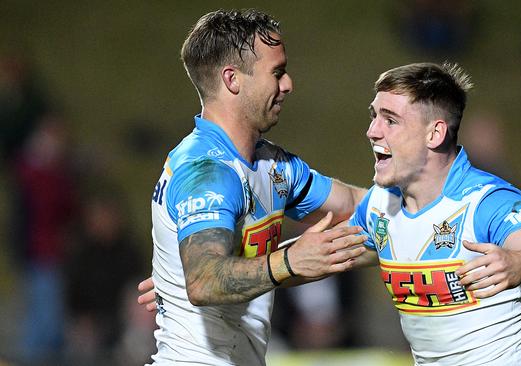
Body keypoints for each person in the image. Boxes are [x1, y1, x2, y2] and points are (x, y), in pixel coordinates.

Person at [145, 9, 367, 365]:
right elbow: (203, 281)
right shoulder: (206, 171)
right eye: (276, 73)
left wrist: (438, 210)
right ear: (233, 80)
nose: (288, 83)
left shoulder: (274, 166)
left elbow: (359, 207)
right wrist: (290, 260)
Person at [345, 62, 521, 365]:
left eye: (390, 120)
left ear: (434, 134)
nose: (372, 131)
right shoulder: (380, 204)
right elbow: (322, 254)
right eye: (374, 116)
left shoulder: (484, 201)